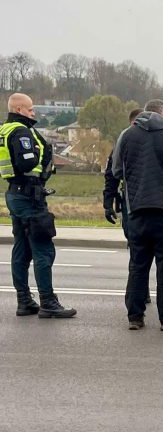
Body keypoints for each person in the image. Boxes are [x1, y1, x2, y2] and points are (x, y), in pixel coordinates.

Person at [112, 99, 163, 331]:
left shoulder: (126, 136)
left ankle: (135, 316)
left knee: (138, 264)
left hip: (136, 210)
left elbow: (116, 170)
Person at [1, 93, 76, 318]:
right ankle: (48, 302)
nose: (34, 113)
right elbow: (27, 162)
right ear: (20, 109)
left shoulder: (4, 129)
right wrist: (36, 154)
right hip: (29, 196)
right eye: (31, 109)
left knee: (21, 248)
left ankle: (24, 301)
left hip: (14, 193)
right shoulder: (21, 131)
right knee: (42, 249)